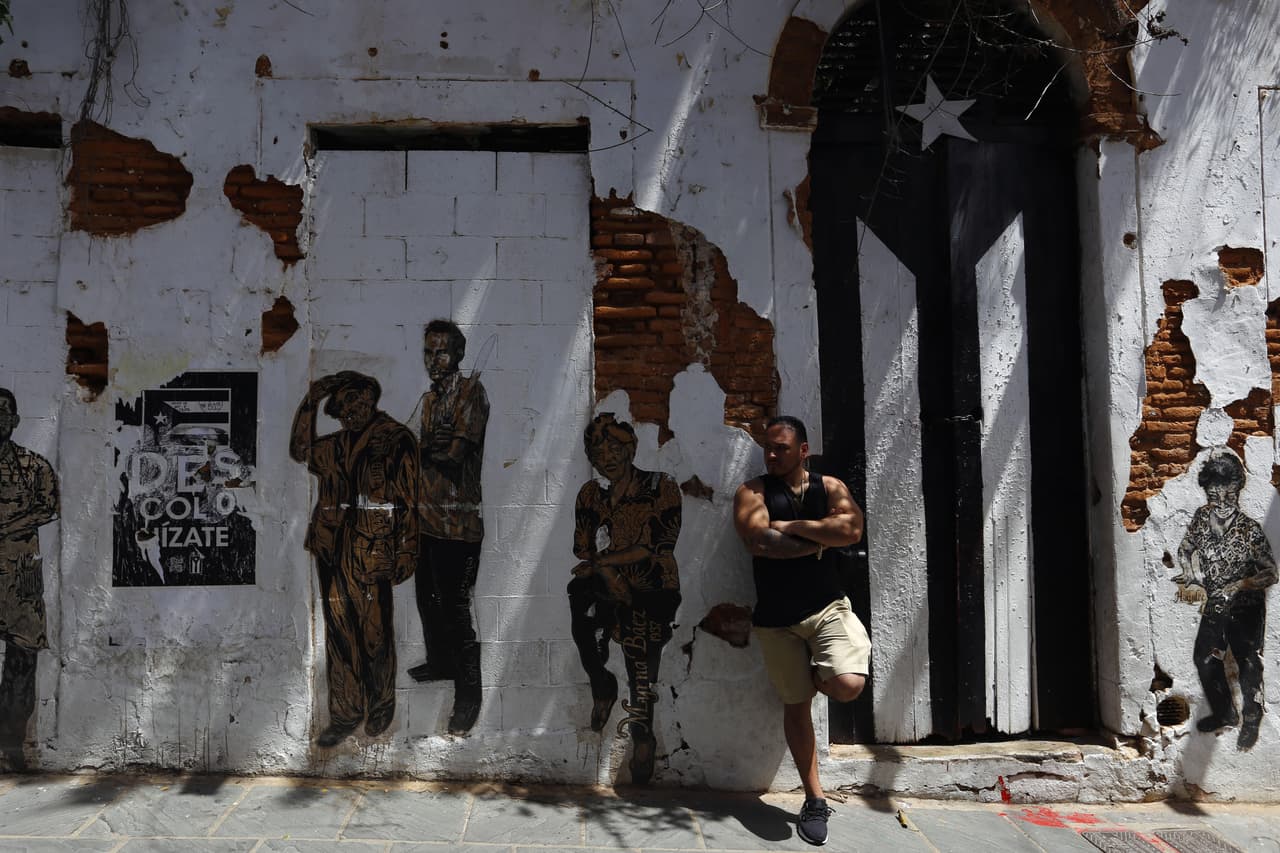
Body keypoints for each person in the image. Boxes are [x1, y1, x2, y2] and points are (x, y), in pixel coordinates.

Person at [733, 415, 869, 846]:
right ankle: (814, 798)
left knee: (847, 684)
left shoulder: (829, 488)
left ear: (803, 451)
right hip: (776, 620)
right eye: (768, 449)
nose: (772, 456)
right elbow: (759, 542)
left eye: (781, 449)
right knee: (797, 707)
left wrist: (792, 527)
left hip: (826, 608)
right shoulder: (752, 492)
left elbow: (851, 529)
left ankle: (818, 675)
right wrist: (823, 538)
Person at [290, 371, 417, 747]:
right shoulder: (334, 445)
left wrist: (408, 548)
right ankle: (345, 713)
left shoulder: (395, 439)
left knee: (375, 634)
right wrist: (310, 400)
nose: (347, 412)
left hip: (373, 546)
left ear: (370, 399)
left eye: (354, 403)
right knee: (340, 632)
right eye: (341, 408)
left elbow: (410, 499)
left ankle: (380, 704)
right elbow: (300, 450)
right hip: (332, 545)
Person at [569, 413, 681, 785]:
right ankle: (602, 686)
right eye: (598, 451)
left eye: (615, 448)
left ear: (631, 449)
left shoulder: (660, 486)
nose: (608, 456)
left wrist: (604, 565)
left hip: (652, 588)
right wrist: (607, 573)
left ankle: (642, 735)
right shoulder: (590, 494)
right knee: (579, 600)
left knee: (640, 663)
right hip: (606, 582)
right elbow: (582, 550)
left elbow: (653, 547)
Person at [410, 320, 489, 735]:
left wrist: (419, 449)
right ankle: (440, 662)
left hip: (459, 522)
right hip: (427, 517)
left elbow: (455, 454)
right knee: (427, 597)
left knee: (456, 609)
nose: (433, 360)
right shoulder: (429, 401)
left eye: (441, 352)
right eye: (428, 352)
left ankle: (468, 694)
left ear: (457, 354)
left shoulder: (471, 392)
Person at [1173, 448, 1277, 750]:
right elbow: (1185, 548)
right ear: (1207, 492)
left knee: (1247, 664)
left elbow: (1271, 574)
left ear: (1238, 491)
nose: (1220, 503)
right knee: (1204, 658)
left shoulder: (1250, 530)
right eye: (1214, 496)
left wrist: (1240, 584)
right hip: (1217, 602)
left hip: (1247, 607)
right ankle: (1225, 713)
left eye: (1228, 496)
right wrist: (1189, 571)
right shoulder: (1201, 517)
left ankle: (1252, 718)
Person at [0, 388, 59, 770]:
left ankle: (12, 744)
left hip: (20, 574)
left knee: (22, 658)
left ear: (16, 420)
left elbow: (49, 506)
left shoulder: (34, 465)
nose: (0, 418)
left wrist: (5, 526)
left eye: (5, 412)